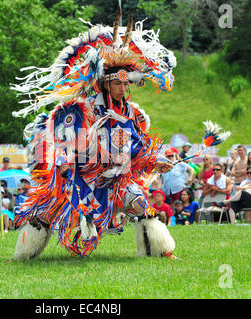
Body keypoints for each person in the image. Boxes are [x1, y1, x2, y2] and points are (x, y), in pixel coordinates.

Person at [12, 16, 177, 260]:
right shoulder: (81, 110)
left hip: (114, 182)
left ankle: (160, 252)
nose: (123, 88)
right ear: (105, 83)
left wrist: (155, 161)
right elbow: (62, 145)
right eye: (118, 83)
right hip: (79, 179)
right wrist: (67, 171)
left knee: (143, 206)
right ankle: (22, 255)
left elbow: (138, 146)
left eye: (126, 83)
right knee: (47, 211)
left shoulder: (130, 113)